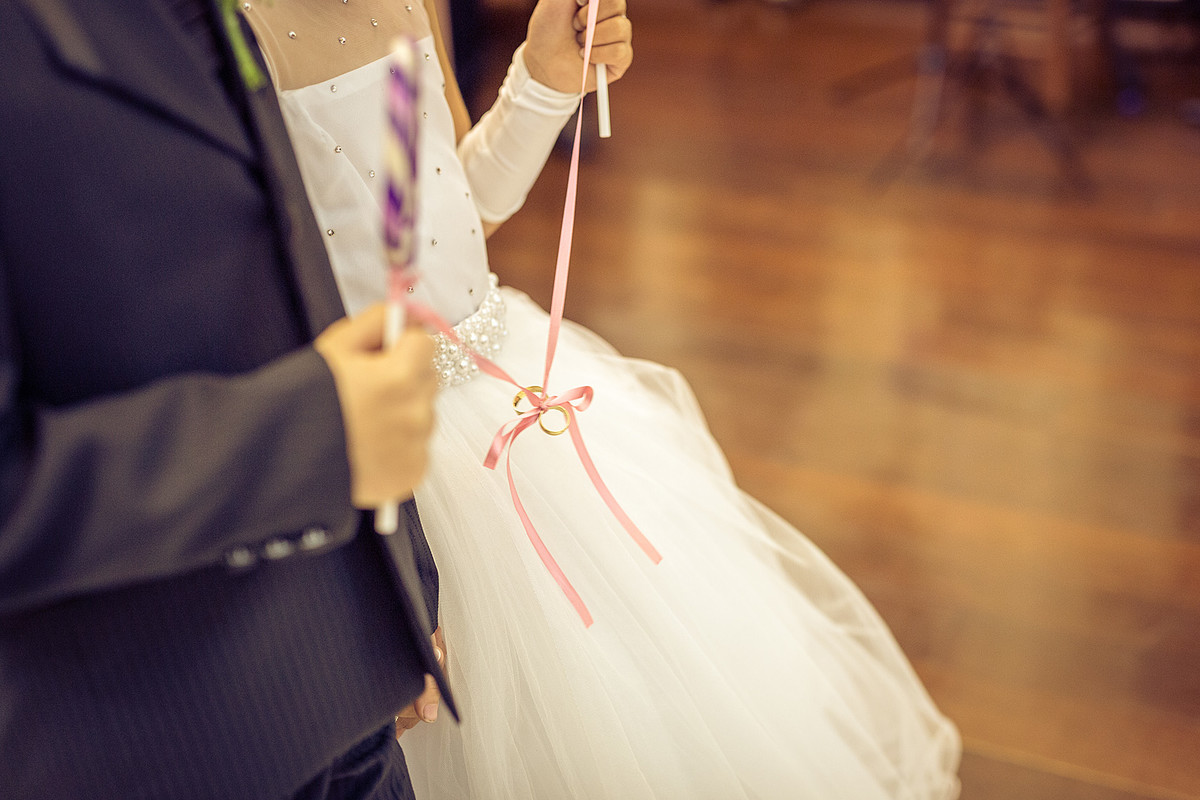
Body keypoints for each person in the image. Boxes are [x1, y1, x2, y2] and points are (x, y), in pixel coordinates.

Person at [243, 0, 963, 797]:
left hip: (503, 384)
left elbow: (456, 209)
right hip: (392, 457)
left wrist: (544, 82)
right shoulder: (229, 37)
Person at [0, 1, 452, 798]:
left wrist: (399, 593)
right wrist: (315, 436)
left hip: (345, 701)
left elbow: (299, 288)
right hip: (154, 743)